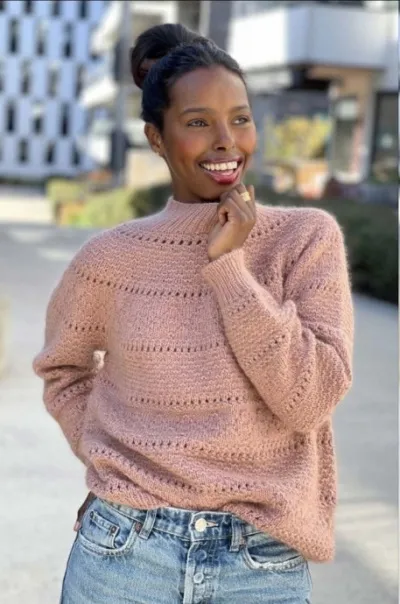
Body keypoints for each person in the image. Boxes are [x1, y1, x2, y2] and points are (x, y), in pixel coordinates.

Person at [33, 23, 354, 604]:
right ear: (156, 139)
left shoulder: (306, 240)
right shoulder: (110, 258)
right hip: (125, 550)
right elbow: (64, 370)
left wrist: (229, 267)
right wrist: (111, 460)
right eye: (199, 122)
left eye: (241, 118)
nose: (227, 141)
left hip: (261, 562)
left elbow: (308, 400)